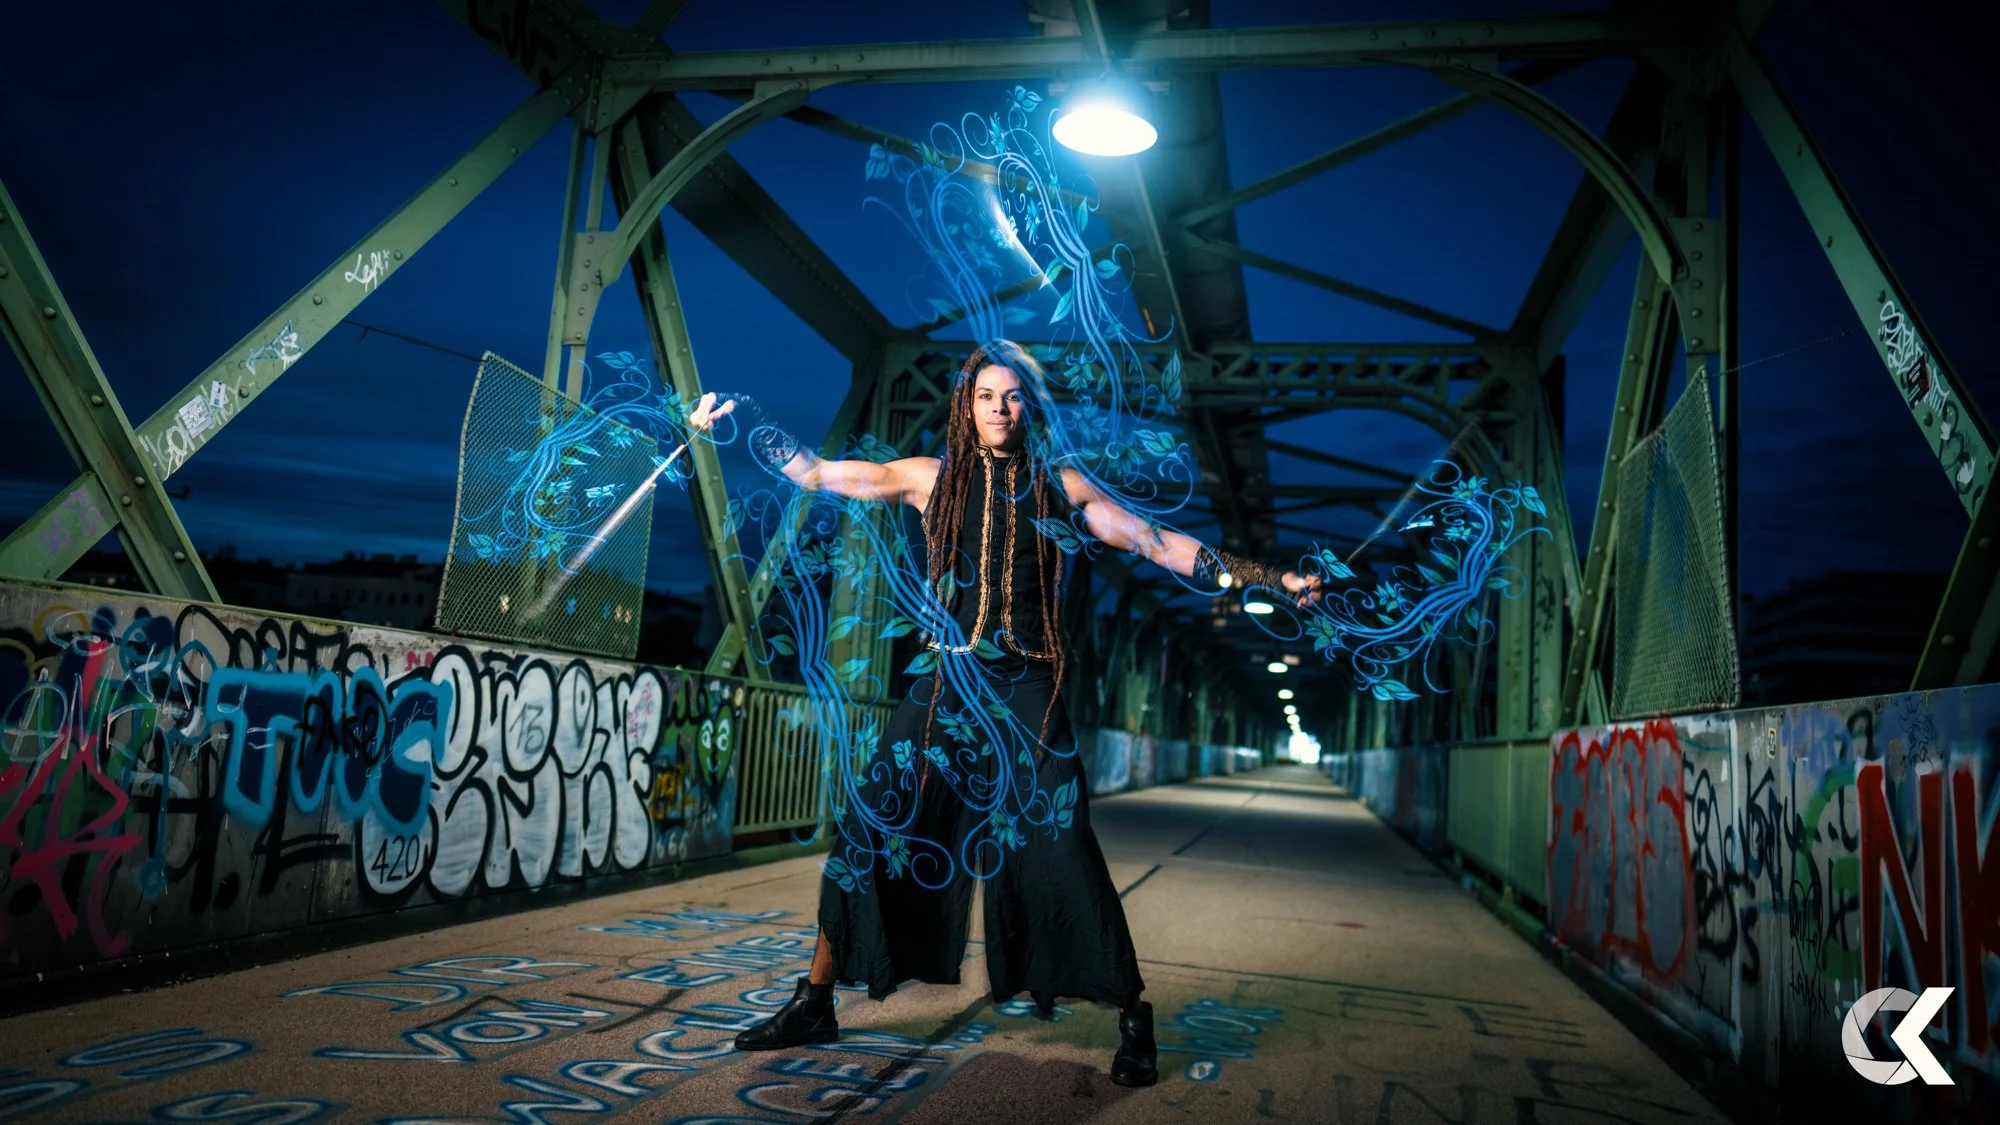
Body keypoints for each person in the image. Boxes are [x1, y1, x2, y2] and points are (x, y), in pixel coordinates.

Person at [684, 341, 1317, 1086]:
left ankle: (1133, 1011)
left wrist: (1264, 577)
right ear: (967, 403)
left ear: (1029, 407)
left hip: (1027, 689)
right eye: (986, 394)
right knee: (869, 828)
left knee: (1063, 845)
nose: (998, 408)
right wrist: (745, 416)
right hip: (946, 687)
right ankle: (815, 997)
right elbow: (819, 475)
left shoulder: (1062, 487)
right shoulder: (930, 478)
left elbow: (1155, 543)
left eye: (1012, 396)